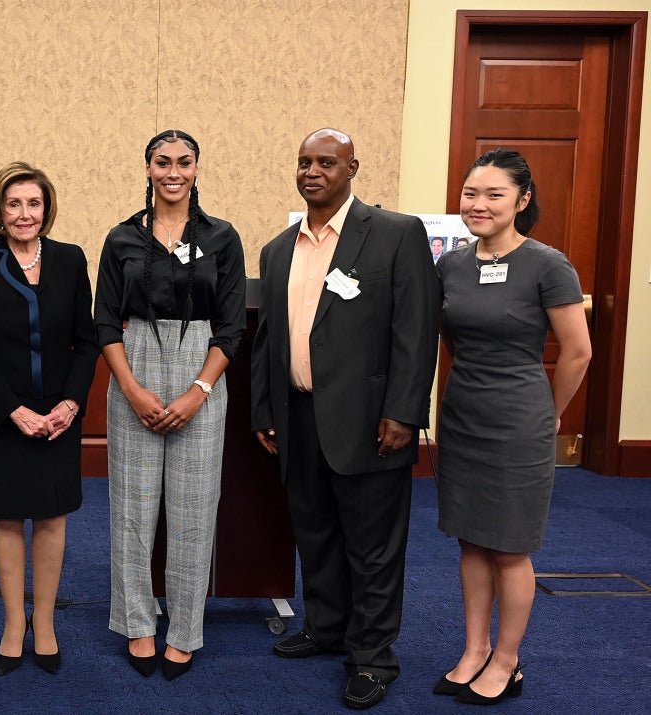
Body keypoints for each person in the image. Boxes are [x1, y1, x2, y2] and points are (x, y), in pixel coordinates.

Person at [252, 128, 439, 710]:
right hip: (299, 417)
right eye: (304, 162)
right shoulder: (279, 248)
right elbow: (269, 341)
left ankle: (373, 658)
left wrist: (405, 412)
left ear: (353, 167)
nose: (313, 171)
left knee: (374, 547)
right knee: (316, 533)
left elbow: (416, 328)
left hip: (371, 422)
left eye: (326, 162)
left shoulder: (395, 234)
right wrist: (265, 407)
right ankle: (327, 627)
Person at [432, 148, 590, 705]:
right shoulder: (451, 264)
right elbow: (451, 341)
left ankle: (507, 659)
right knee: (471, 540)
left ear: (522, 201)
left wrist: (549, 414)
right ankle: (474, 650)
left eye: (494, 194)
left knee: (510, 548)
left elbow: (577, 352)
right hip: (463, 413)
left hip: (521, 418)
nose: (478, 204)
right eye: (471, 193)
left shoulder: (548, 264)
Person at [94, 130, 246, 681]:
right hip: (132, 363)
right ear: (148, 167)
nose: (173, 171)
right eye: (163, 162)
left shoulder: (223, 237)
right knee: (133, 509)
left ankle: (183, 631)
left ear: (198, 167)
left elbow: (231, 327)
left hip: (201, 370)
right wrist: (132, 389)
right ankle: (137, 623)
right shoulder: (121, 238)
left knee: (193, 510)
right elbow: (105, 320)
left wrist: (196, 391)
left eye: (184, 162)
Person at [0, 162, 99, 676]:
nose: (24, 214)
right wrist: (12, 410)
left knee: (53, 515)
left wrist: (71, 404)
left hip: (59, 414)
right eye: (13, 204)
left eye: (33, 203)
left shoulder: (70, 259)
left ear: (46, 208)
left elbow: (88, 340)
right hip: (3, 414)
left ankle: (47, 624)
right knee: (9, 515)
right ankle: (14, 622)